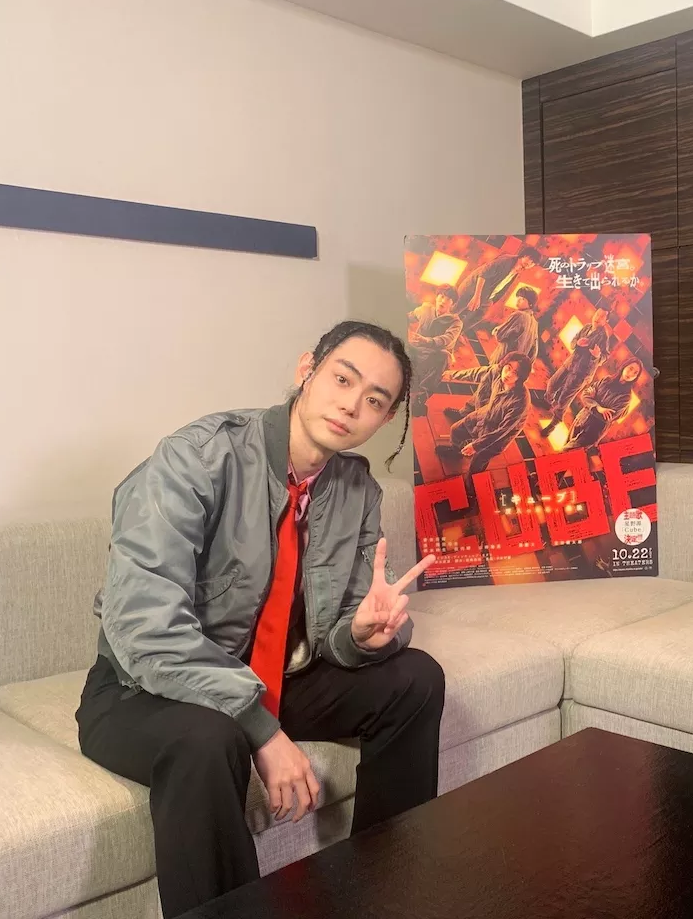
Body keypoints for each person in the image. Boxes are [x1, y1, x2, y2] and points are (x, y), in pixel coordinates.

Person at [76, 320, 445, 918]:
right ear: (307, 370)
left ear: (384, 420)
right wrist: (262, 732)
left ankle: (385, 894)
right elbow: (145, 626)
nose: (352, 405)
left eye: (376, 400)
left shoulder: (356, 489)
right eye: (342, 379)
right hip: (143, 691)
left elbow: (336, 625)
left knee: (416, 678)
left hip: (275, 675)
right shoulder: (196, 458)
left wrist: (360, 636)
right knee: (209, 738)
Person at [442, 352, 532, 475]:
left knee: (478, 462)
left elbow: (503, 430)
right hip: (484, 414)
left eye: (515, 373)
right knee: (456, 430)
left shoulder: (520, 401)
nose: (509, 374)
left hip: (498, 435)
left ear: (521, 377)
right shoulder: (497, 372)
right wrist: (452, 375)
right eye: (508, 367)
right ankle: (455, 452)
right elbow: (476, 373)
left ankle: (472, 484)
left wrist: (476, 446)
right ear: (504, 364)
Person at [543, 308, 609, 431]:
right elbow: (573, 341)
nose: (597, 318)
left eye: (602, 317)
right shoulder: (587, 327)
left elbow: (605, 356)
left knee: (564, 399)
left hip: (582, 373)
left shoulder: (603, 337)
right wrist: (577, 343)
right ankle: (548, 402)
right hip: (570, 363)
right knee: (552, 383)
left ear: (606, 321)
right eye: (597, 314)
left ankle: (554, 423)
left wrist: (597, 356)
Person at [564, 357, 641, 451]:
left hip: (593, 430)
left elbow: (608, 417)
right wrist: (598, 407)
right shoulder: (607, 379)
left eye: (635, 373)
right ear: (624, 366)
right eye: (630, 368)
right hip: (581, 418)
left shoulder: (626, 397)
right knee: (566, 446)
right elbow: (585, 394)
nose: (631, 374)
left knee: (566, 452)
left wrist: (593, 400)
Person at [408, 287, 462, 417]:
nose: (443, 301)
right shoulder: (425, 309)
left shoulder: (455, 322)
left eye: (448, 299)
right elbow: (408, 317)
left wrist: (427, 341)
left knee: (443, 357)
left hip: (435, 353)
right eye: (441, 296)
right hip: (416, 349)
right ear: (437, 297)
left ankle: (421, 398)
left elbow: (447, 339)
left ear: (452, 303)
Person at [490, 286, 540, 363]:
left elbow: (500, 335)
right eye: (518, 297)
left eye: (522, 299)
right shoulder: (534, 323)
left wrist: (495, 330)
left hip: (502, 359)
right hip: (515, 364)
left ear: (530, 304)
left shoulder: (519, 315)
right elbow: (533, 353)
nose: (518, 300)